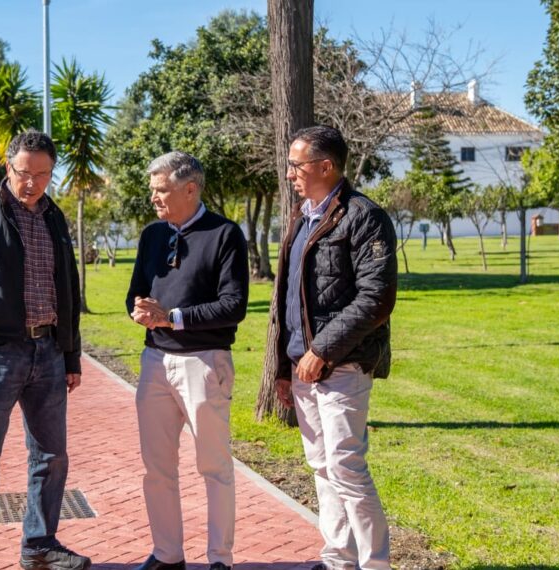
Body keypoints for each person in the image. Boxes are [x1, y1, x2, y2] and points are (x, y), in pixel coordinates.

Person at [0, 130, 91, 570]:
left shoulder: (54, 217)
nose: (33, 183)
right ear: (9, 167)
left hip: (47, 352)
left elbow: (68, 288)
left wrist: (71, 355)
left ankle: (39, 545)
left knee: (51, 456)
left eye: (43, 175)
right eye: (25, 173)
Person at [272, 126, 397, 570]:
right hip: (302, 366)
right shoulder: (302, 217)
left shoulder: (364, 217)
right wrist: (283, 370)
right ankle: (338, 558)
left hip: (341, 365)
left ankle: (374, 562)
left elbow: (376, 297)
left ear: (326, 167)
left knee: (346, 467)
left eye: (296, 165)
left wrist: (322, 350)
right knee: (322, 468)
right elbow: (286, 298)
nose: (289, 174)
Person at [125, 151, 249, 570]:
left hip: (204, 363)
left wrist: (173, 318)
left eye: (162, 191)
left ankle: (220, 559)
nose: (154, 199)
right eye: (153, 191)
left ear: (190, 189)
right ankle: (167, 554)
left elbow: (233, 306)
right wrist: (139, 310)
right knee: (156, 468)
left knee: (214, 466)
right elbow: (136, 292)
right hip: (154, 362)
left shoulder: (225, 234)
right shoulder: (151, 235)